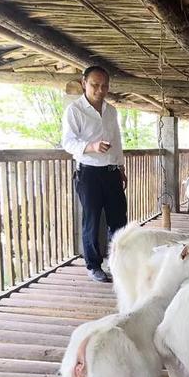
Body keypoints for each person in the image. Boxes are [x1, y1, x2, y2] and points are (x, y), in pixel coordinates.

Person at [62, 66, 128, 283]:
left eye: (104, 86)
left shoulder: (111, 111)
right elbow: (68, 142)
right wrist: (91, 146)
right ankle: (93, 265)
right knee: (91, 221)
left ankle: (117, 262)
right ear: (84, 83)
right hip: (89, 174)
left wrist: (120, 168)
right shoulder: (75, 110)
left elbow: (117, 142)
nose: (100, 90)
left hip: (111, 172)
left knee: (119, 220)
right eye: (95, 85)